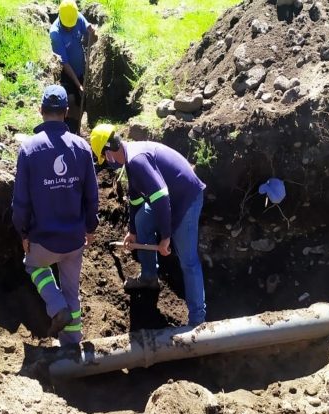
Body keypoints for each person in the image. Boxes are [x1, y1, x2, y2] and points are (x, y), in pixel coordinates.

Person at [89, 124, 207, 326]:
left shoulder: (137, 160)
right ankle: (149, 277)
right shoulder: (130, 160)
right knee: (142, 219)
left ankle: (197, 319)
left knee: (188, 261)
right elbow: (136, 200)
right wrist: (133, 232)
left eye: (105, 158)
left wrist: (166, 237)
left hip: (186, 198)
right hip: (170, 198)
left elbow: (161, 197)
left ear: (108, 153)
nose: (107, 163)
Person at [11, 84, 99, 345]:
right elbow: (92, 196)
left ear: (41, 111)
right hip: (74, 240)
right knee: (73, 291)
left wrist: (23, 232)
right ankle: (72, 347)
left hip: (44, 239)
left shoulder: (29, 150)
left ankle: (56, 306)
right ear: (66, 112)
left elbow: (21, 202)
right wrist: (90, 228)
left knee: (33, 265)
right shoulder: (82, 148)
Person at [50, 0, 97, 134]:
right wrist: (78, 85)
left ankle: (78, 131)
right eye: (67, 26)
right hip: (67, 74)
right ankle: (68, 132)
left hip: (81, 70)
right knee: (71, 103)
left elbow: (92, 39)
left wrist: (93, 33)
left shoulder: (76, 18)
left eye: (72, 25)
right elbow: (64, 63)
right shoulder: (55, 33)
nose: (70, 28)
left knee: (81, 104)